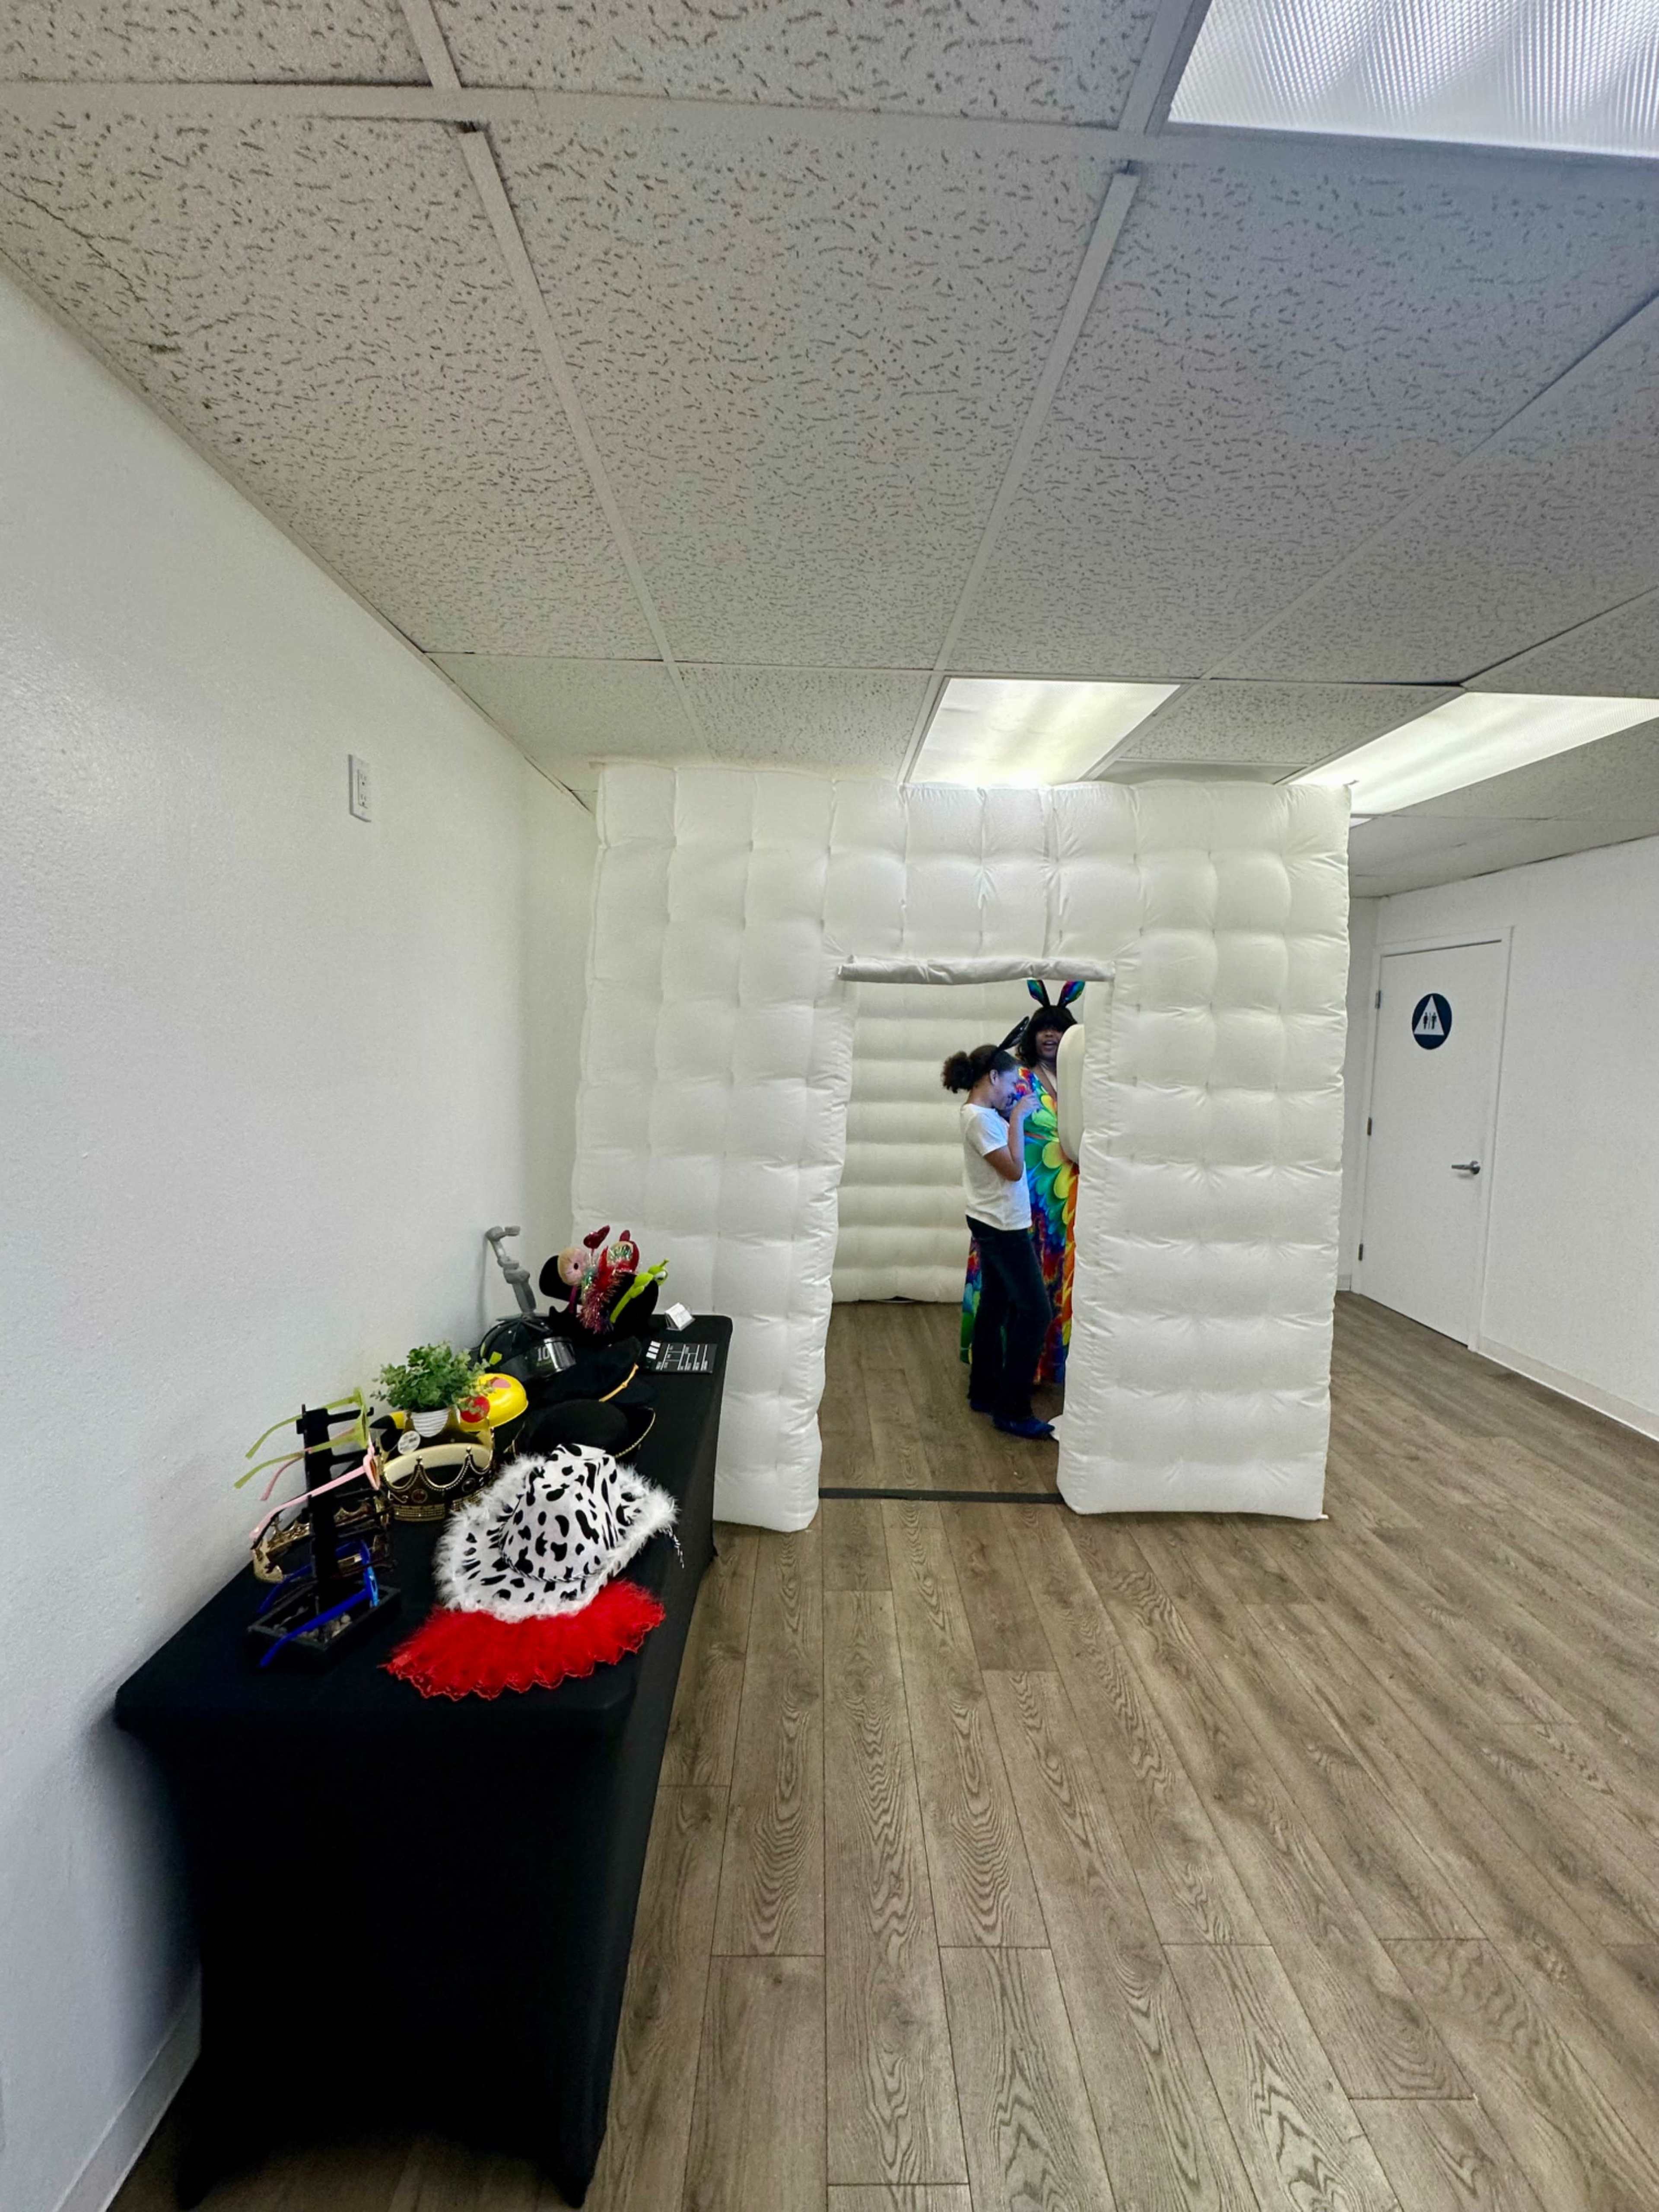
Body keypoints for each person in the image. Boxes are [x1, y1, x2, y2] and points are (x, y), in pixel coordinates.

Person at [961, 982, 1081, 1390]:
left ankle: (1036, 1368)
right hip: (1021, 1195)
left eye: (1059, 1029)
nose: (1050, 1035)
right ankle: (1015, 1380)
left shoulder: (1078, 1080)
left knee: (1045, 1281)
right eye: (1043, 1029)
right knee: (1020, 1294)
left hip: (1064, 1197)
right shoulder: (1020, 1079)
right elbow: (998, 1129)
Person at [941, 1043, 1054, 1441]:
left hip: (991, 1220)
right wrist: (1019, 1118)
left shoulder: (981, 1115)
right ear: (993, 1077)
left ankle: (984, 1391)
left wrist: (1009, 1116)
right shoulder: (981, 1120)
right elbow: (1012, 1169)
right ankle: (1012, 1408)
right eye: (1010, 1082)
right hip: (1002, 1226)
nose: (1013, 1091)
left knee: (994, 1304)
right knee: (1036, 1313)